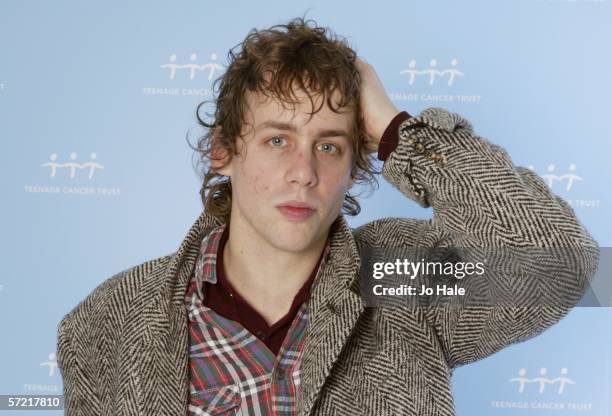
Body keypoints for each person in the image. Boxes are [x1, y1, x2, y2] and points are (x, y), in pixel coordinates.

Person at [56, 17, 598, 416]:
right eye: (277, 140)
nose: (303, 173)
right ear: (223, 151)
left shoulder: (396, 277)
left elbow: (554, 270)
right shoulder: (107, 323)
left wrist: (397, 132)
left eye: (330, 146)